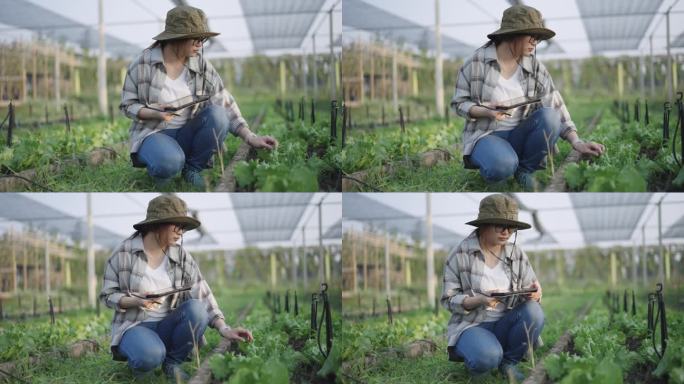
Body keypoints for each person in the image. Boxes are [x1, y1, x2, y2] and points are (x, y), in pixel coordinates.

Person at [120, 5, 278, 189]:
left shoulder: (201, 65)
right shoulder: (143, 64)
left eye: (202, 39)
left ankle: (192, 168)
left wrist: (250, 137)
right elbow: (128, 105)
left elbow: (224, 102)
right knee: (169, 162)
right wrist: (152, 112)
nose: (200, 45)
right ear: (177, 38)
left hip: (187, 131)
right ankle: (164, 168)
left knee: (218, 115)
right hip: (154, 133)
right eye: (196, 39)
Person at [100, 194, 254, 381]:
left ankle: (172, 362)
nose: (181, 231)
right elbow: (108, 295)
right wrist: (136, 300)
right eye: (176, 225)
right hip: (135, 326)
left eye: (183, 227)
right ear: (157, 224)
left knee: (197, 309)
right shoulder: (124, 253)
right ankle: (143, 361)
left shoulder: (180, 256)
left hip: (167, 325)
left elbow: (202, 293)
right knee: (150, 355)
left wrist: (224, 328)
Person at [451, 5, 605, 190]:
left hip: (520, 134)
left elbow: (556, 106)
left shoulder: (535, 67)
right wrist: (486, 111)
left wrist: (577, 142)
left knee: (550, 116)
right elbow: (459, 103)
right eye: (531, 35)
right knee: (501, 166)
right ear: (512, 34)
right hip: (487, 134)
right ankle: (501, 166)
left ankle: (525, 170)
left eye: (538, 38)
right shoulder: (476, 63)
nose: (536, 41)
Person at [440, 194, 544, 381]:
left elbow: (532, 287)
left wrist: (535, 293)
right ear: (484, 225)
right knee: (486, 358)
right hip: (473, 325)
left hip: (507, 323)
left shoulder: (516, 253)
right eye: (500, 225)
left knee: (534, 311)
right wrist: (478, 300)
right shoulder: (460, 254)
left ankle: (508, 362)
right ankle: (481, 357)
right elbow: (448, 299)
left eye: (511, 227)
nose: (506, 232)